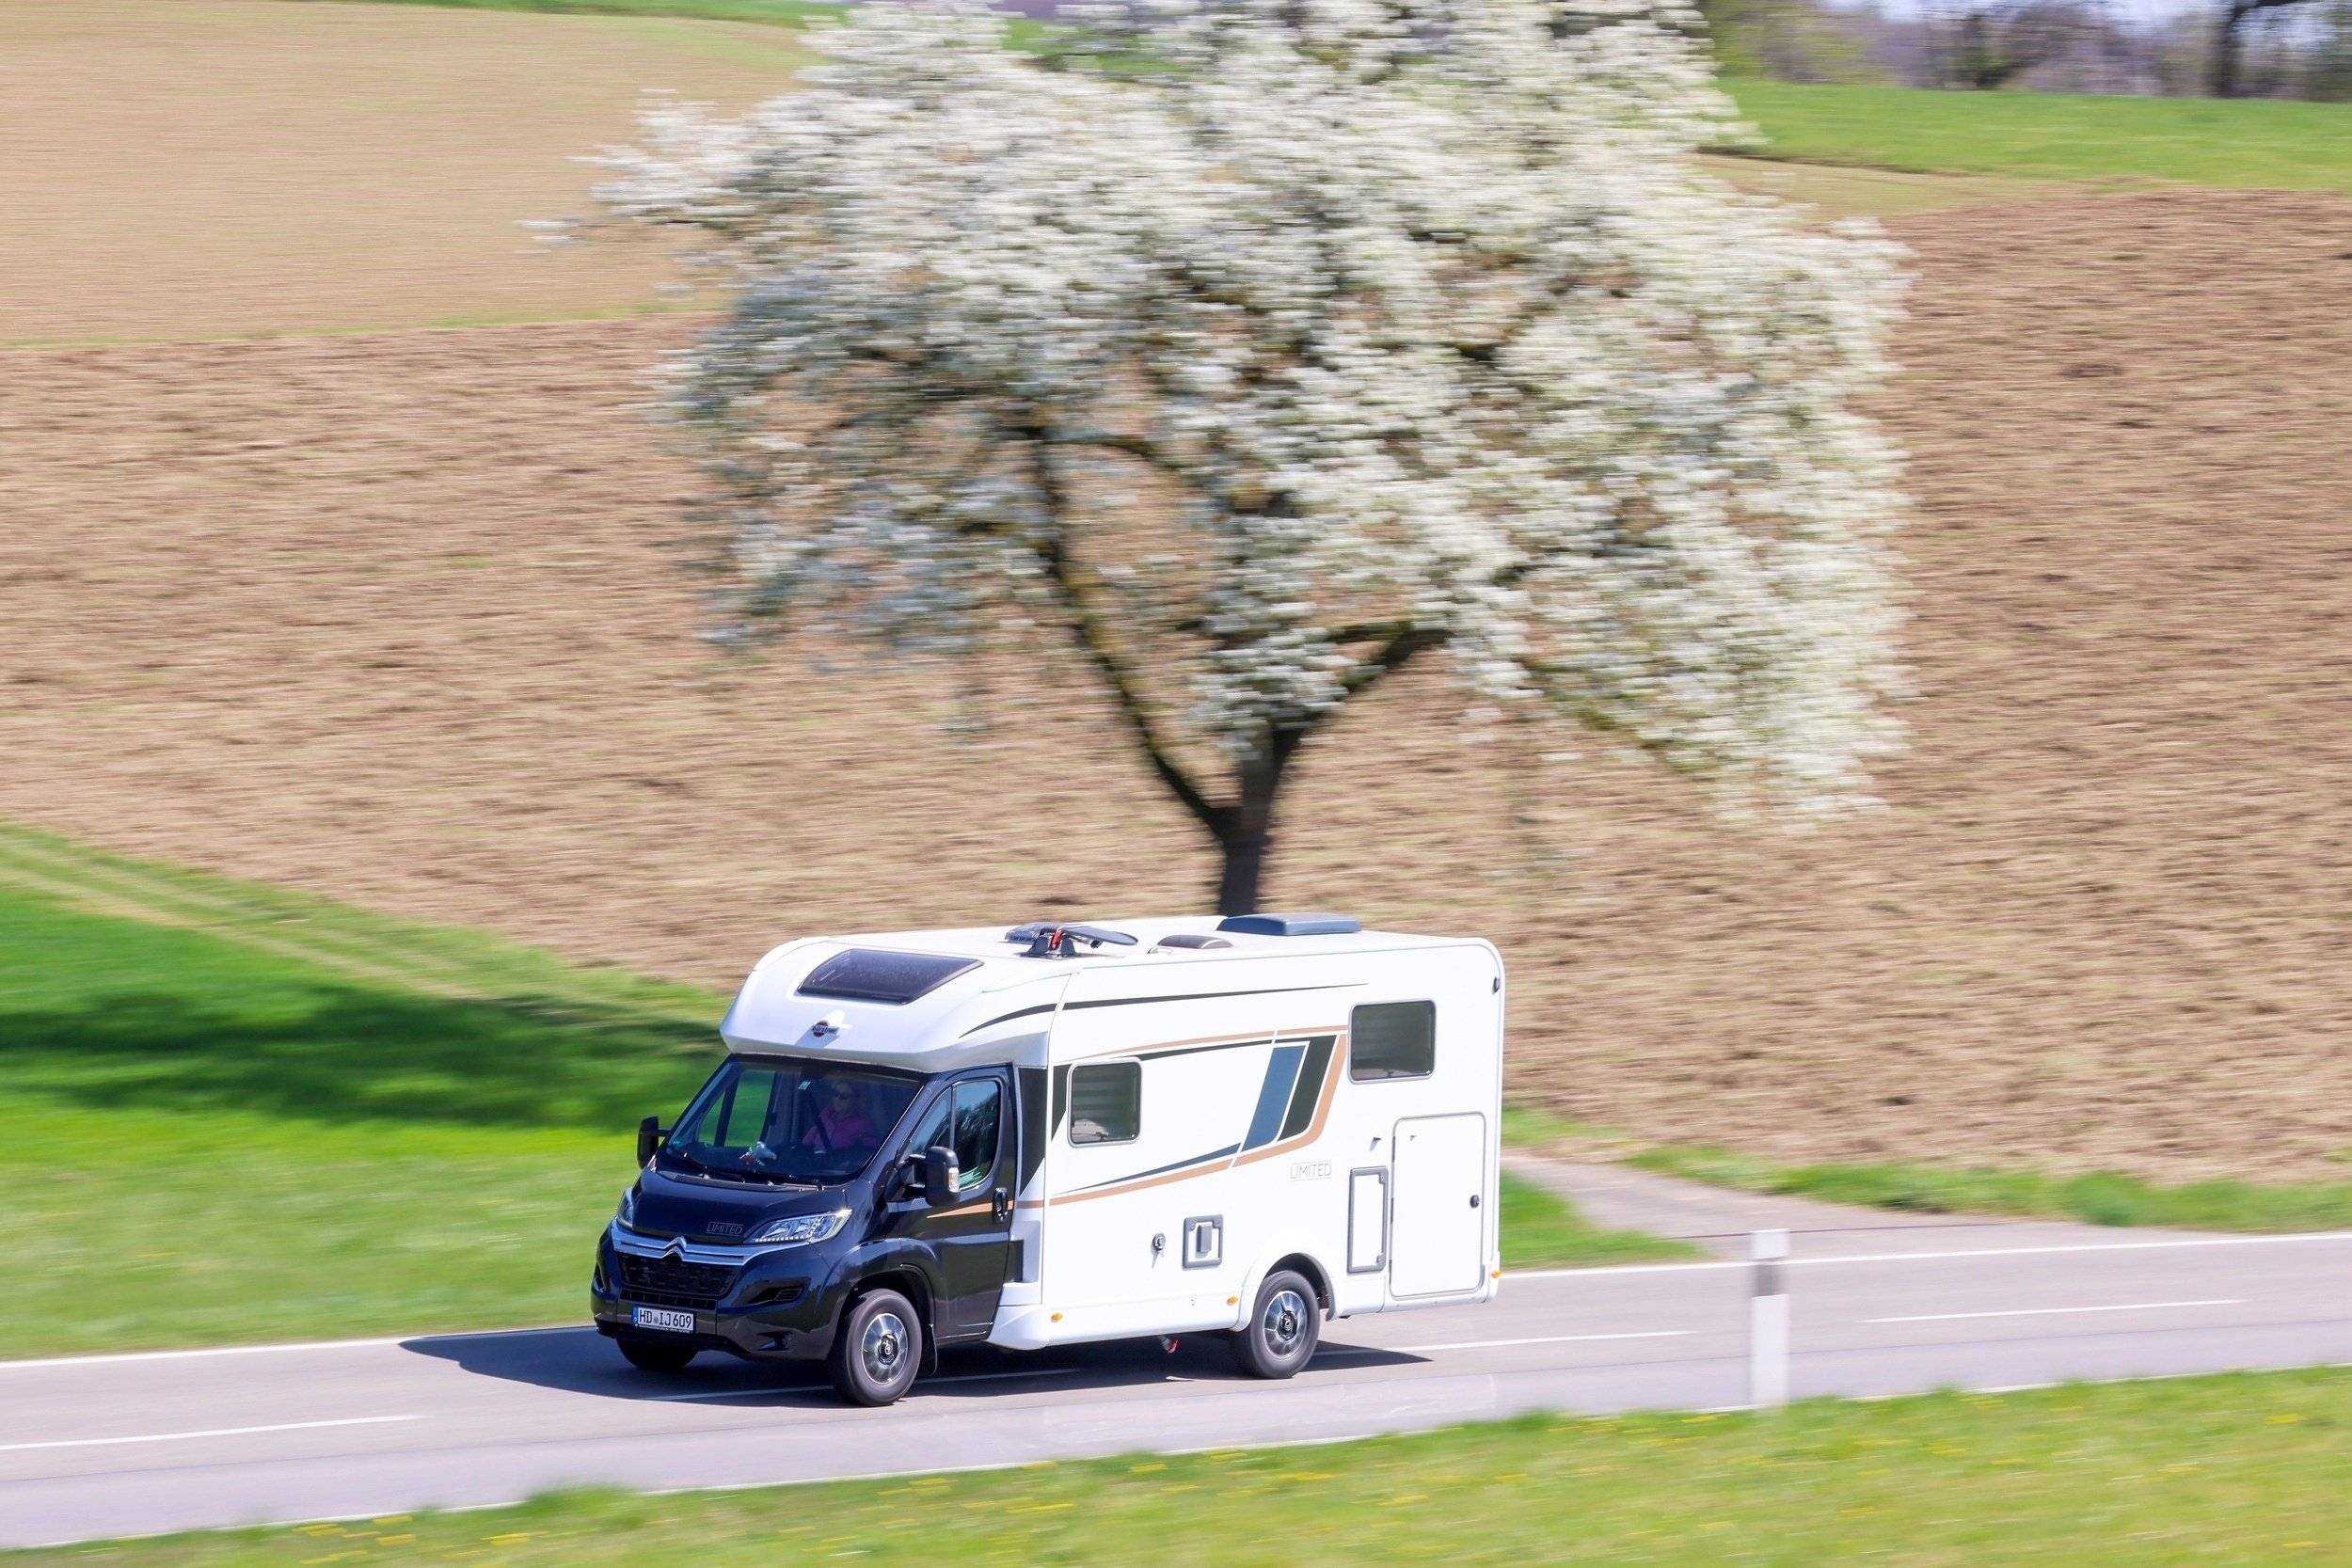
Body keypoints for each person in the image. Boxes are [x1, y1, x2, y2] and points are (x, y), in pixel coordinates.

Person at [803, 1077, 877, 1152]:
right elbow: (805, 1144)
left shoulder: (863, 1125)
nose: (838, 1099)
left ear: (856, 1100)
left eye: (844, 1096)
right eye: (835, 1094)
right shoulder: (824, 1117)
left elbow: (867, 1152)